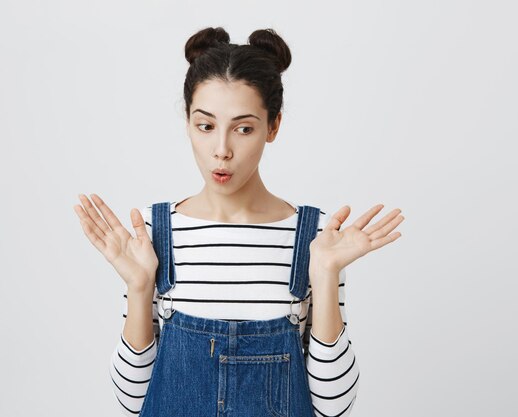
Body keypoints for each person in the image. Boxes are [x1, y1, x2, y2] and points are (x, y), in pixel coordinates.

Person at [74, 26, 403, 417]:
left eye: (244, 128)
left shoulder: (316, 238)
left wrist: (326, 273)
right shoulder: (152, 232)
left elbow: (333, 407)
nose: (222, 150)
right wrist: (140, 284)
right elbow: (133, 402)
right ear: (188, 122)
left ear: (273, 126)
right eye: (206, 126)